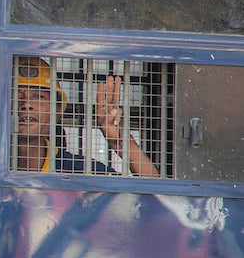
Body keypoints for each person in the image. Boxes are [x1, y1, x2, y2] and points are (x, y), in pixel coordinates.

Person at [14, 56, 160, 176]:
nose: (26, 104)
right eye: (14, 94)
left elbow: (160, 202)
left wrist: (121, 142)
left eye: (38, 96)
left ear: (57, 111)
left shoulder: (83, 171)